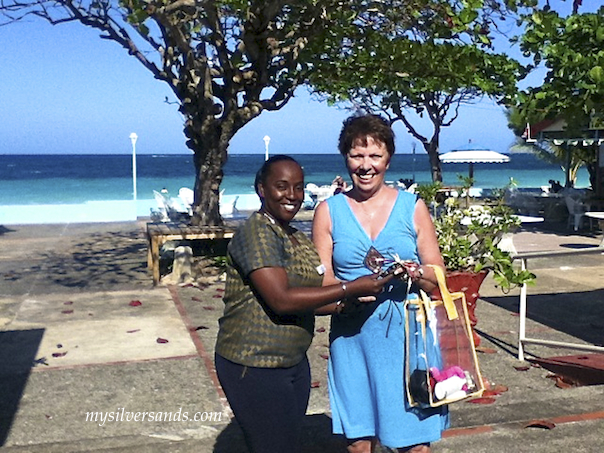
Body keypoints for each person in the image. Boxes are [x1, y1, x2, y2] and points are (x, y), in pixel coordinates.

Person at [214, 155, 395, 453]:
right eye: (281, 186)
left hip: (291, 363)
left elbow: (307, 298)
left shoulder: (294, 235)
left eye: (298, 188)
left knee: (285, 443)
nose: (292, 196)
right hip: (254, 364)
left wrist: (345, 305)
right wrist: (350, 288)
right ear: (262, 189)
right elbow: (281, 299)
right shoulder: (258, 232)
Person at [312, 115, 449, 453]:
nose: (365, 165)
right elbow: (322, 280)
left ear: (388, 158)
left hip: (408, 341)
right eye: (357, 155)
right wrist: (352, 292)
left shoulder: (412, 207)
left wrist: (415, 272)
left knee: (414, 443)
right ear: (345, 158)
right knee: (359, 442)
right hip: (351, 338)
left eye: (374, 156)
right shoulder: (328, 211)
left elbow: (437, 276)